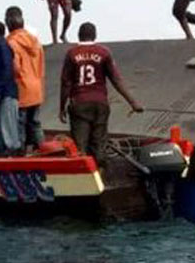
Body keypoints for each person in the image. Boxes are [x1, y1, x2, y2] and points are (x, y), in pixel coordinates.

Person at [60, 22, 143, 167]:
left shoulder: (72, 53)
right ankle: (102, 172)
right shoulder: (104, 53)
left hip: (79, 103)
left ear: (79, 35)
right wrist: (133, 102)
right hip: (100, 104)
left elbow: (66, 83)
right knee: (99, 143)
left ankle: (84, 176)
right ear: (95, 35)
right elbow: (116, 80)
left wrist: (62, 107)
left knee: (80, 146)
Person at [5, 6, 45, 151]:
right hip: (36, 87)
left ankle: (19, 155)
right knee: (35, 123)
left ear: (8, 22)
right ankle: (43, 151)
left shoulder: (10, 43)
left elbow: (14, 68)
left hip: (21, 89)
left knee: (19, 125)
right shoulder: (35, 41)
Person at [0, 21, 21, 155]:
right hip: (4, 93)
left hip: (5, 93)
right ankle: (3, 151)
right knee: (1, 125)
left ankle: (12, 151)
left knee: (8, 126)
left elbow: (7, 69)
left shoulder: (0, 46)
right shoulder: (1, 46)